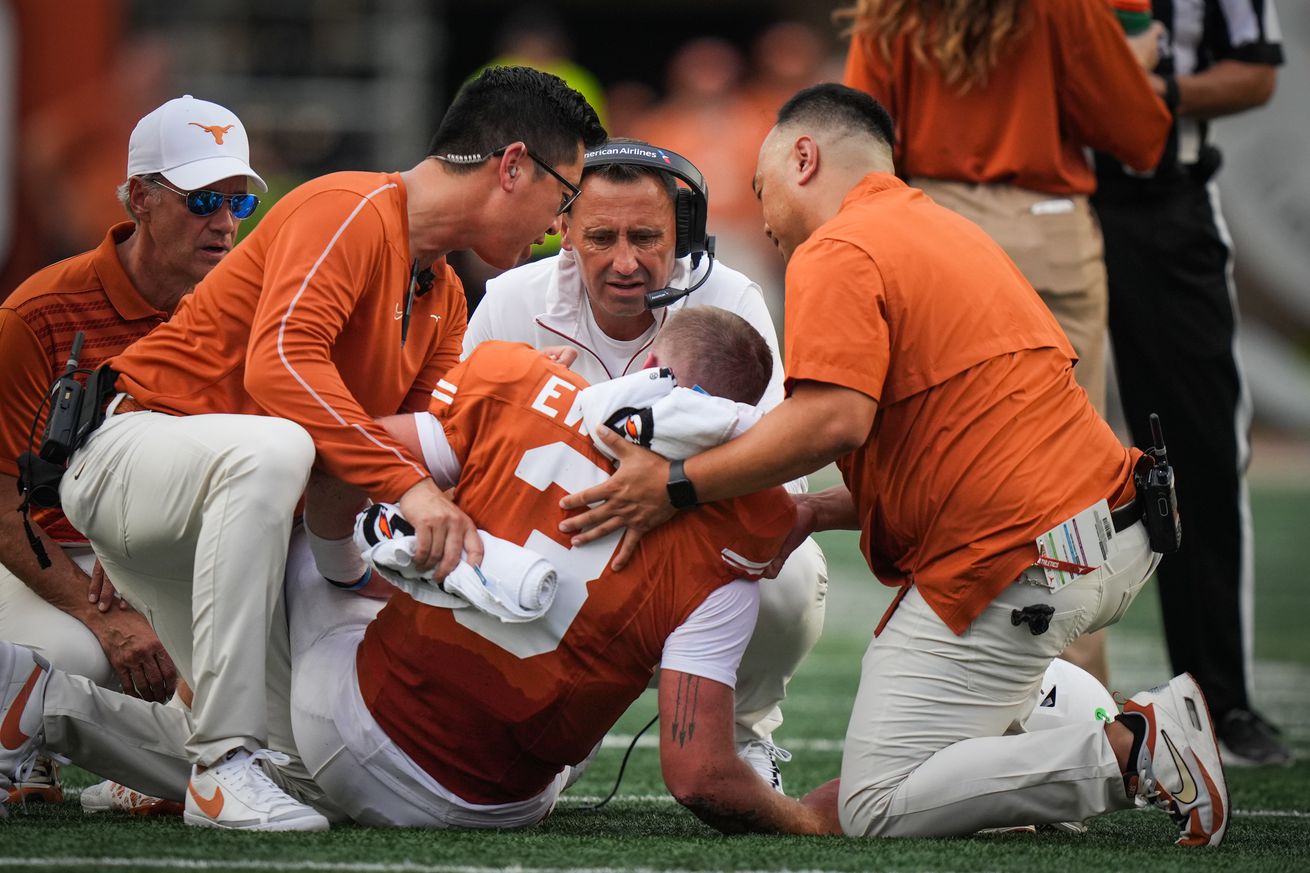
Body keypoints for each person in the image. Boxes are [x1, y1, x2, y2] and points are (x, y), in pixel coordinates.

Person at [557, 84, 1230, 845]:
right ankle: (1062, 723)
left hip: (1027, 554)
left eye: (762, 188)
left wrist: (677, 486)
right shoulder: (945, 231)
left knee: (876, 803)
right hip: (1105, 528)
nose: (765, 218)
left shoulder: (840, 247)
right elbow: (946, 439)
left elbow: (833, 420)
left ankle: (1134, 750)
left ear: (804, 158)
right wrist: (810, 510)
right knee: (915, 770)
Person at [1, 308, 837, 836]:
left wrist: (345, 572)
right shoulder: (741, 528)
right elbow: (699, 776)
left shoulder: (518, 381)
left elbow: (334, 457)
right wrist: (807, 821)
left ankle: (114, 719)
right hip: (502, 805)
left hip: (355, 718)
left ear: (642, 363)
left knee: (291, 507)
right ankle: (69, 714)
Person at [52, 66, 605, 831]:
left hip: (236, 513)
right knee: (277, 448)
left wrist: (540, 416)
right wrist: (413, 492)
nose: (560, 226)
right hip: (134, 451)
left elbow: (420, 442)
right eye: (565, 194)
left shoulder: (442, 295)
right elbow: (280, 364)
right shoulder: (349, 204)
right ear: (512, 166)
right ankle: (216, 770)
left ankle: (39, 705)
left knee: (315, 769)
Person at [464, 138, 828, 788]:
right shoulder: (509, 303)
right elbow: (454, 457)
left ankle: (743, 731)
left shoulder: (732, 295)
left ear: (683, 233)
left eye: (647, 236)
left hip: (695, 536)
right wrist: (511, 402)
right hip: (556, 537)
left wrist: (672, 488)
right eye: (602, 236)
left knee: (787, 568)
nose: (626, 261)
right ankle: (551, 713)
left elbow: (782, 467)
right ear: (563, 228)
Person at [839, 0, 1173, 686]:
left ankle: (949, 678)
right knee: (1069, 476)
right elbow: (1140, 135)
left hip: (930, 228)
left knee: (939, 465)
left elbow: (855, 134)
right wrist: (1134, 60)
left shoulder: (886, 11)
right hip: (1044, 224)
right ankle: (1075, 696)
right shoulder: (1066, 8)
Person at [0, 94, 264, 808]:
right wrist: (101, 613)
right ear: (140, 200)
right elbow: (0, 507)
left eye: (238, 203)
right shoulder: (38, 312)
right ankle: (22, 741)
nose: (224, 223)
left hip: (161, 552)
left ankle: (120, 770)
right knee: (78, 658)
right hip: (48, 560)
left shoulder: (251, 312)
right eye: (204, 198)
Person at [1091, 0, 1290, 766]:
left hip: (1167, 203)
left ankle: (1219, 696)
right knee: (1010, 446)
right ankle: (1013, 694)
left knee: (1198, 447)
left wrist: (1144, 95)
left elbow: (1254, 73)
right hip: (1043, 199)